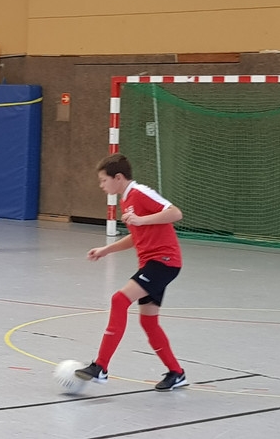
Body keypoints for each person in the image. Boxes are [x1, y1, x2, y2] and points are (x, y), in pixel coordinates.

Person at [75, 153, 188, 392]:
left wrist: (141, 220)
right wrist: (106, 250)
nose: (101, 185)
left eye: (103, 180)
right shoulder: (126, 201)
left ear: (118, 177)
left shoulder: (140, 193)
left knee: (119, 300)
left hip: (164, 262)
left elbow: (175, 213)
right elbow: (136, 236)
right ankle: (176, 373)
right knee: (148, 322)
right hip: (152, 264)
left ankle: (100, 367)